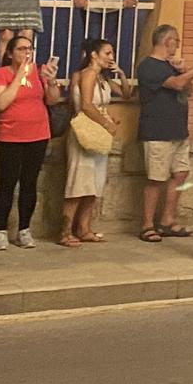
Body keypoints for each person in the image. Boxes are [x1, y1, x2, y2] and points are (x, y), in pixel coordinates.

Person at [0, 29, 61, 250]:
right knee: (7, 182)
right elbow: (1, 103)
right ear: (10, 53)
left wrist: (51, 82)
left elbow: (53, 100)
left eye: (30, 49)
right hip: (11, 136)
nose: (27, 53)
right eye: (21, 49)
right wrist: (20, 75)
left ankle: (24, 229)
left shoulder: (39, 72)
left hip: (38, 134)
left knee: (29, 183)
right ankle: (1, 230)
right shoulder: (1, 73)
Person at [136, 25, 193, 242]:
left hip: (178, 131)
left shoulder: (172, 66)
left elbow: (188, 89)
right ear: (168, 41)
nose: (178, 46)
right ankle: (147, 224)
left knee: (181, 174)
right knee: (156, 178)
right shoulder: (149, 66)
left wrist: (184, 70)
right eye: (177, 42)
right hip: (157, 132)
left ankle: (167, 219)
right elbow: (177, 85)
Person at [60, 38, 122, 245]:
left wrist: (120, 73)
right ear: (94, 55)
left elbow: (127, 93)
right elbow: (86, 105)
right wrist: (106, 123)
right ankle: (66, 231)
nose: (110, 57)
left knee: (94, 184)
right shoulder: (87, 74)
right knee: (78, 182)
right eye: (107, 53)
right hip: (84, 134)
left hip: (98, 134)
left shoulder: (102, 79)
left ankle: (84, 227)